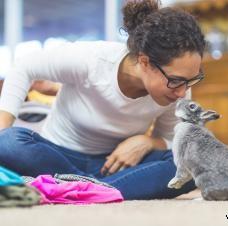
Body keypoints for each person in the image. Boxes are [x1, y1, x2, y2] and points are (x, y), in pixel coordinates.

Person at [0, 0, 206, 200]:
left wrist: (147, 141)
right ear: (145, 62)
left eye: (191, 81)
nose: (182, 92)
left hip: (117, 164)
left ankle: (79, 189)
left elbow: (171, 141)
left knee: (193, 160)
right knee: (9, 142)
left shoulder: (179, 90)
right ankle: (101, 190)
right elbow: (24, 67)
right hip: (56, 156)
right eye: (176, 81)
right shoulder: (92, 60)